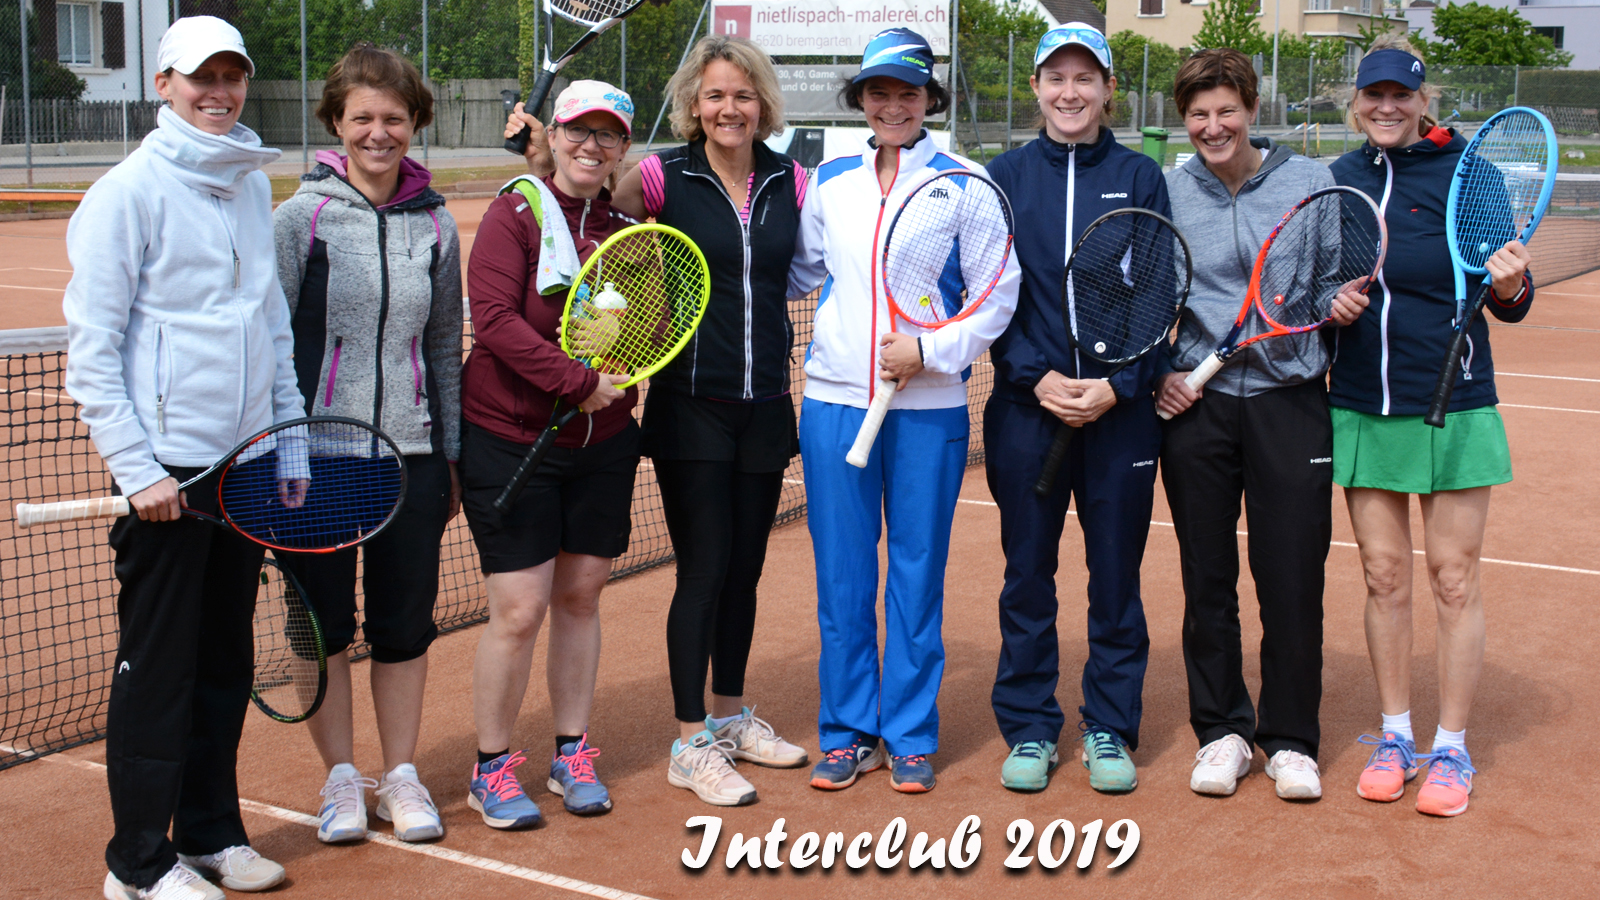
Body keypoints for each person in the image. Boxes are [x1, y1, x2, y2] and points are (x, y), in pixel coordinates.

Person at [505, 35, 808, 807]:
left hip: (767, 405)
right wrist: (540, 153)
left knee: (745, 572)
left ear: (762, 102)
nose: (729, 108)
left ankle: (731, 714)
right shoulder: (659, 176)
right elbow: (587, 206)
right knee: (704, 569)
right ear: (693, 106)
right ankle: (690, 740)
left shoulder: (792, 181)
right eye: (714, 95)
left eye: (742, 94)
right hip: (691, 409)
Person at [64, 16, 297, 900]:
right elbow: (92, 354)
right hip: (165, 473)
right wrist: (139, 470)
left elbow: (268, 323)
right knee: (158, 671)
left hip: (243, 468)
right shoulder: (126, 194)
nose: (219, 92)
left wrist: (286, 439)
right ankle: (137, 863)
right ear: (163, 84)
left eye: (232, 76)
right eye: (202, 77)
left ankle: (209, 833)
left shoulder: (248, 184)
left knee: (224, 663)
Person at [787, 27, 1019, 794]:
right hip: (833, 405)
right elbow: (801, 272)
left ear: (929, 100)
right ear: (861, 99)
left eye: (908, 93)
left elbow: (996, 294)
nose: (893, 106)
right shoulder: (830, 182)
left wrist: (931, 350)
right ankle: (848, 730)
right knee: (842, 580)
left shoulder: (966, 183)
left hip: (928, 409)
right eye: (879, 92)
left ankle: (910, 733)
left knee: (916, 578)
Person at [1157, 48, 1370, 803]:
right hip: (1199, 407)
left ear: (1251, 108)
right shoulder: (1169, 191)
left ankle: (1290, 740)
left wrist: (1338, 306)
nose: (1213, 126)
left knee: (1292, 577)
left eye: (1227, 110)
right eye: (1198, 114)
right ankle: (1221, 732)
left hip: (1291, 401)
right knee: (1206, 577)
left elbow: (1330, 284)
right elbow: (1155, 296)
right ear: (1184, 121)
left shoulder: (1310, 183)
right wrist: (1167, 371)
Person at [1328, 36, 1533, 817]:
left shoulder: (1470, 175)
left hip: (1455, 401)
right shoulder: (1340, 179)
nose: (1386, 107)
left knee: (1453, 577)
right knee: (1383, 576)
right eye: (1373, 95)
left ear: (1423, 101)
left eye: (1401, 95)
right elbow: (1316, 284)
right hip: (1363, 403)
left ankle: (1451, 746)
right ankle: (1394, 735)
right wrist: (1330, 305)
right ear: (1356, 102)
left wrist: (1509, 285)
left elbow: (1512, 299)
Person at [272, 43, 462, 844]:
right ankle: (342, 779)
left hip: (411, 459)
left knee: (403, 626)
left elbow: (444, 344)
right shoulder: (301, 218)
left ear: (415, 122)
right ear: (336, 123)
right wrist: (277, 452)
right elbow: (271, 342)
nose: (378, 132)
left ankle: (402, 776)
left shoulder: (437, 224)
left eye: (393, 117)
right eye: (362, 118)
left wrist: (450, 455)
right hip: (314, 462)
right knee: (321, 627)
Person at [982, 23, 1169, 795]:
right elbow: (990, 294)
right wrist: (1037, 378)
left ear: (1108, 89)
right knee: (1027, 576)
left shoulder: (1140, 175)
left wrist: (1117, 386)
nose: (1070, 91)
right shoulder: (1002, 176)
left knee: (1116, 578)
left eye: (1085, 77)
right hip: (1027, 412)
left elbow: (1157, 289)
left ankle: (1108, 726)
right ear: (1036, 87)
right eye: (1056, 77)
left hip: (1119, 415)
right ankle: (1030, 726)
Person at [460, 80, 639, 829]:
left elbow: (643, 328)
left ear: (622, 148)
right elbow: (495, 320)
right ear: (555, 135)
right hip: (512, 440)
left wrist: (610, 370)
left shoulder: (630, 232)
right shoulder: (514, 213)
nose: (591, 146)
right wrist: (577, 381)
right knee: (519, 609)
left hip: (603, 446)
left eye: (608, 135)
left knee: (581, 598)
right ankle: (491, 767)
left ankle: (572, 753)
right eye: (578, 131)